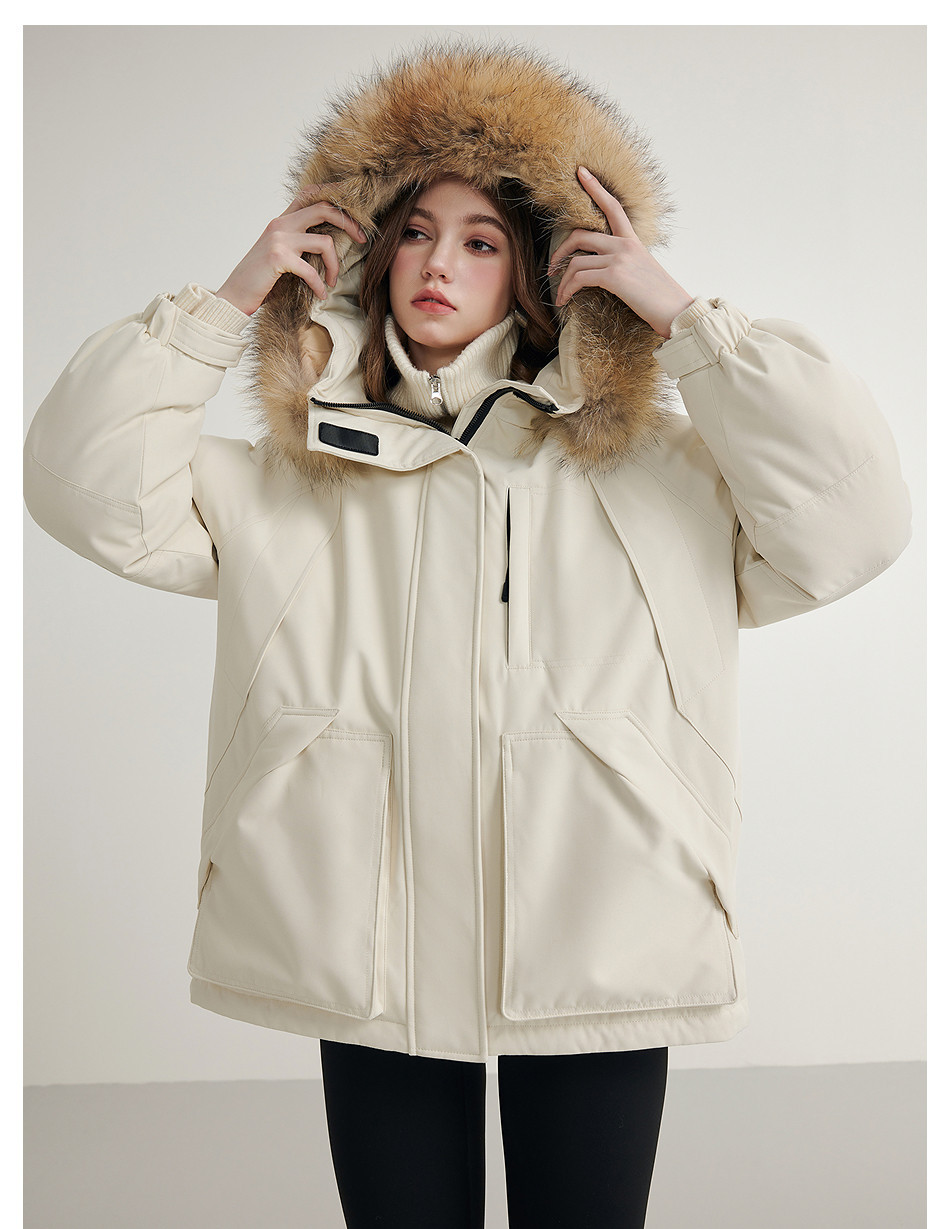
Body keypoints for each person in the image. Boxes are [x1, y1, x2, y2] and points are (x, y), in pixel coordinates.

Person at [23, 43, 912, 1229]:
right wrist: (224, 304)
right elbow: (80, 484)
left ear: (544, 268)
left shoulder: (659, 474)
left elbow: (854, 519)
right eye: (414, 232)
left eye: (482, 240)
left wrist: (682, 318)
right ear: (367, 253)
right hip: (366, 950)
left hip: (598, 933)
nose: (438, 262)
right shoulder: (289, 478)